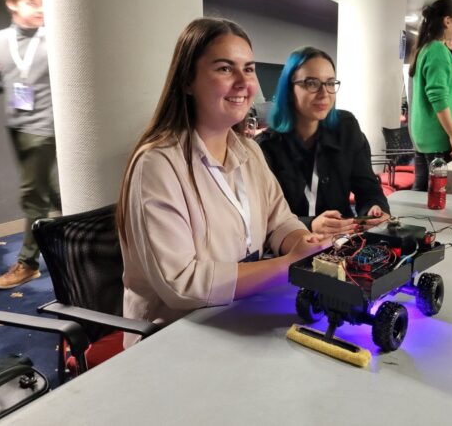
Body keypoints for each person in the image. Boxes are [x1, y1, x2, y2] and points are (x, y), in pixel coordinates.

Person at [117, 18, 328, 346]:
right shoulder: (158, 164)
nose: (243, 82)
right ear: (188, 80)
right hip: (172, 338)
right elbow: (181, 284)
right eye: (225, 69)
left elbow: (280, 221)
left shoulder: (249, 151)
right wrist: (287, 264)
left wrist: (305, 242)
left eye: (249, 69)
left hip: (239, 315)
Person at [255, 47, 390, 236]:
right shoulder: (265, 147)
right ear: (289, 90)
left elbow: (368, 188)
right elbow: (264, 217)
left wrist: (374, 209)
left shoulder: (346, 127)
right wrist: (310, 224)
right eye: (311, 83)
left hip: (342, 241)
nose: (324, 93)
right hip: (292, 244)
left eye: (330, 83)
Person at [0, 0, 61, 290]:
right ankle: (87, 232)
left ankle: (28, 264)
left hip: (45, 127)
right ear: (12, 4)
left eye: (41, 1)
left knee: (32, 195)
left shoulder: (53, 37)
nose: (40, 8)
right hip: (17, 125)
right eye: (31, 2)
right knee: (51, 190)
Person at [409, 0, 452, 191]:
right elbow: (437, 98)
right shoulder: (438, 50)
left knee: (421, 191)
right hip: (436, 135)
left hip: (423, 133)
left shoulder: (425, 48)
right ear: (447, 21)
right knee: (435, 194)